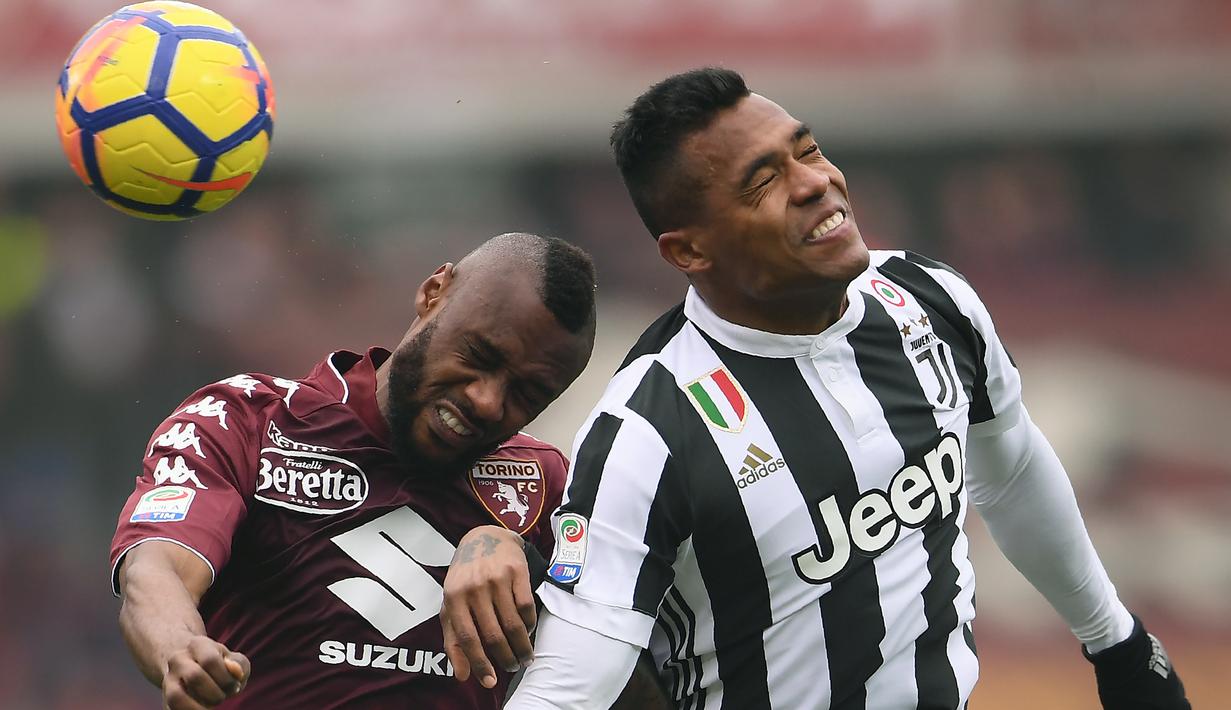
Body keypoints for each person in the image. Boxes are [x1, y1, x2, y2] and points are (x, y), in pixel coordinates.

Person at [445, 70, 1192, 709]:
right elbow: (577, 677)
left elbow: (1013, 466)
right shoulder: (648, 426)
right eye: (763, 181)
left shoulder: (930, 299)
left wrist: (1114, 640)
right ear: (688, 248)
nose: (815, 183)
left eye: (806, 150)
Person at [110, 233, 601, 709]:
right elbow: (156, 568)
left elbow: (624, 670)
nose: (486, 401)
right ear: (433, 294)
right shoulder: (247, 419)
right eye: (477, 356)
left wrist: (511, 547)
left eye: (526, 395)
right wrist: (181, 649)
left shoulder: (547, 487)